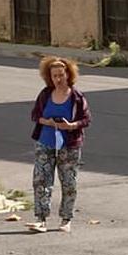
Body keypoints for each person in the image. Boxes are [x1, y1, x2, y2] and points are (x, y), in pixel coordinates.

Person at [27, 55, 91, 234]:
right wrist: (47, 122)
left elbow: (86, 119)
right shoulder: (46, 94)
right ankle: (40, 218)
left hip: (69, 145)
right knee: (41, 179)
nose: (58, 79)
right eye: (54, 76)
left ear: (68, 75)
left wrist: (71, 126)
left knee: (69, 182)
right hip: (45, 142)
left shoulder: (76, 97)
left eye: (61, 75)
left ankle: (66, 218)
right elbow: (35, 115)